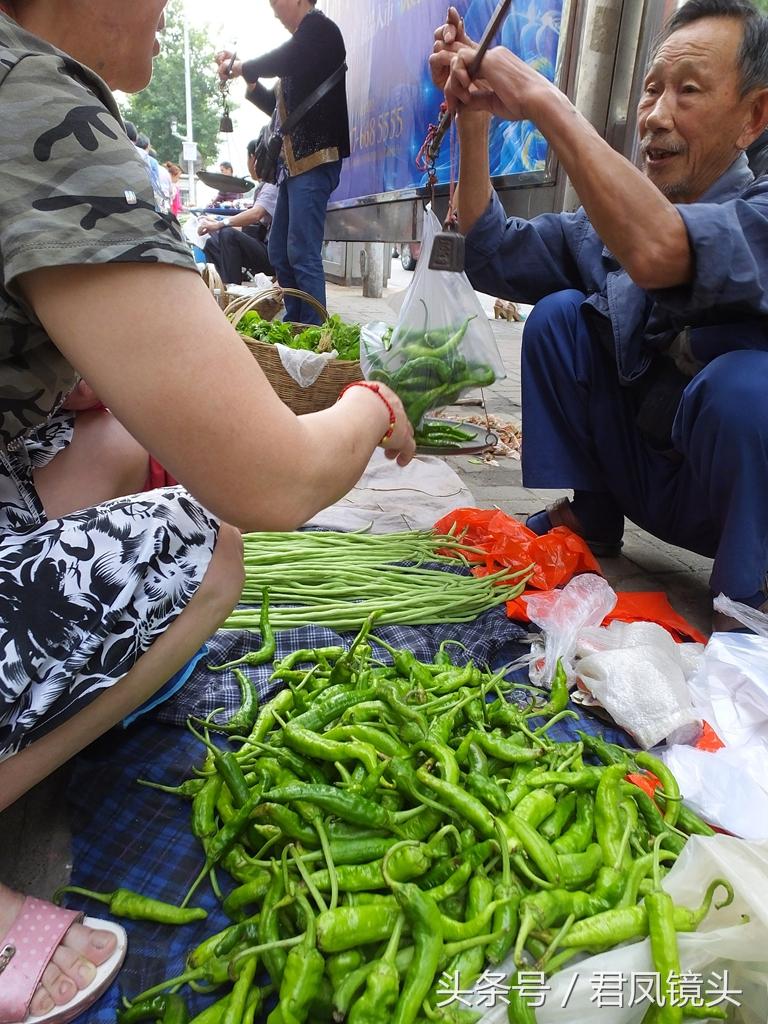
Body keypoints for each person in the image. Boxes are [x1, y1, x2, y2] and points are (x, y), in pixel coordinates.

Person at [0, 2, 414, 1020]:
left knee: (115, 442)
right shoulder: (31, 97)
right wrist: (367, 408)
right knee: (205, 542)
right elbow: (270, 482)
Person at [430, 0, 768, 631]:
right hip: (650, 480)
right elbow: (494, 252)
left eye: (687, 92)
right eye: (650, 91)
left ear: (753, 116)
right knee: (559, 318)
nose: (656, 117)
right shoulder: (610, 229)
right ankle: (594, 516)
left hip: (738, 508)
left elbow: (663, 249)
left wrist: (540, 99)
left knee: (746, 390)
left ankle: (744, 604)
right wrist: (473, 122)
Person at [215, 0, 350, 326]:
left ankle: (314, 332)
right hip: (293, 168)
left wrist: (242, 67)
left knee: (302, 251)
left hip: (314, 161)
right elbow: (278, 113)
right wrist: (248, 80)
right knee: (280, 251)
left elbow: (281, 58)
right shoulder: (304, 49)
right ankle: (296, 324)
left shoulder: (320, 30)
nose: (273, 6)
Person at [198, 140, 277, 283]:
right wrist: (216, 223)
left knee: (228, 234)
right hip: (261, 244)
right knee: (211, 243)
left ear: (253, 158)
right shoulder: (263, 186)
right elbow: (252, 228)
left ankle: (233, 290)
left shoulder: (272, 185)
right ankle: (222, 288)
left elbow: (256, 214)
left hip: (273, 254)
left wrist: (221, 224)